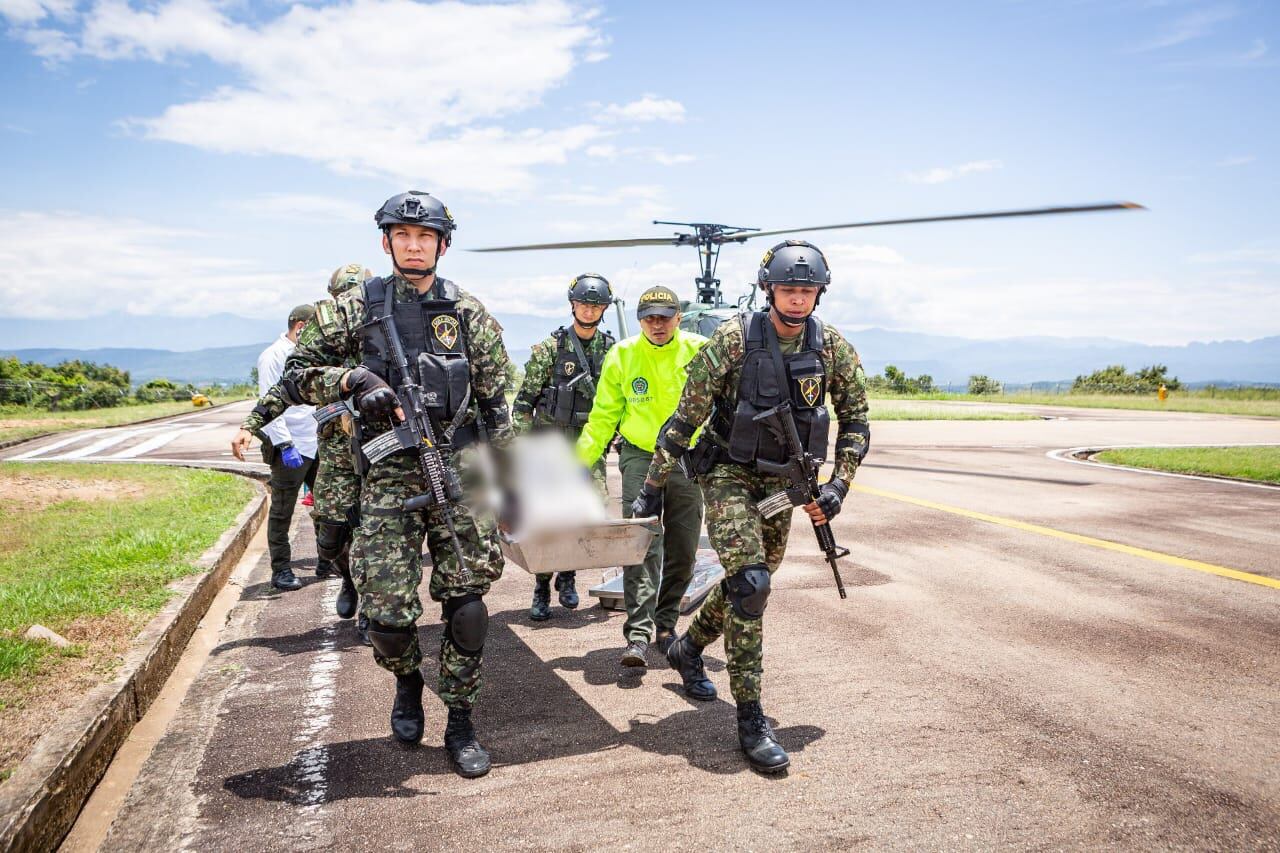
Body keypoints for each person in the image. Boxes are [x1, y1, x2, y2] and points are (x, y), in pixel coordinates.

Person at [279, 192, 512, 778]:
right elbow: (295, 375)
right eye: (402, 235)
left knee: (467, 606)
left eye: (424, 236)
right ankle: (407, 682)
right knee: (385, 612)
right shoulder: (356, 307)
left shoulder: (468, 312)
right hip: (386, 472)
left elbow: (495, 401)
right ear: (386, 242)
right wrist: (353, 379)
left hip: (458, 470)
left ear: (441, 243)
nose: (414, 245)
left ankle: (460, 718)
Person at [637, 240, 870, 773]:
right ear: (769, 289)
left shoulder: (831, 347)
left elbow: (857, 421)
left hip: (781, 486)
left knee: (755, 580)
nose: (797, 299)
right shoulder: (733, 340)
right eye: (789, 289)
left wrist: (837, 487)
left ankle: (689, 647)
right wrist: (653, 486)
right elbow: (683, 420)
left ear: (820, 294)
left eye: (807, 290)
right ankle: (750, 717)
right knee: (751, 585)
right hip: (727, 473)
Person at [233, 264, 376, 639]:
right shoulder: (324, 331)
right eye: (344, 293)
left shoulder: (386, 324)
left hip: (379, 444)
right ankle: (347, 577)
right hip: (334, 444)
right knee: (329, 532)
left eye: (356, 291)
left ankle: (371, 609)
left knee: (374, 528)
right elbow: (290, 384)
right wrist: (252, 425)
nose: (351, 300)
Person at [576, 285, 707, 668]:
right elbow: (602, 416)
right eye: (649, 317)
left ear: (678, 317)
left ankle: (665, 627)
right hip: (639, 457)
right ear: (640, 321)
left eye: (664, 317)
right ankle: (637, 634)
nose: (657, 324)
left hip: (686, 460)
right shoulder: (623, 355)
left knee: (683, 548)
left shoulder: (699, 350)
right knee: (640, 545)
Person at [511, 274, 616, 621]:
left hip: (588, 444)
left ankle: (568, 575)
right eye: (584, 303)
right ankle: (542, 586)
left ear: (604, 309)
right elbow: (523, 405)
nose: (589, 309)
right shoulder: (549, 350)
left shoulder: (612, 351)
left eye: (596, 305)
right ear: (572, 305)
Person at [242, 304, 320, 591]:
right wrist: (285, 444)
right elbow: (268, 402)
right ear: (300, 327)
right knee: (283, 511)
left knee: (328, 507)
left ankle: (327, 560)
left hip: (315, 442)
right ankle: (281, 570)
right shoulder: (273, 356)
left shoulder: (308, 355)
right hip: (290, 447)